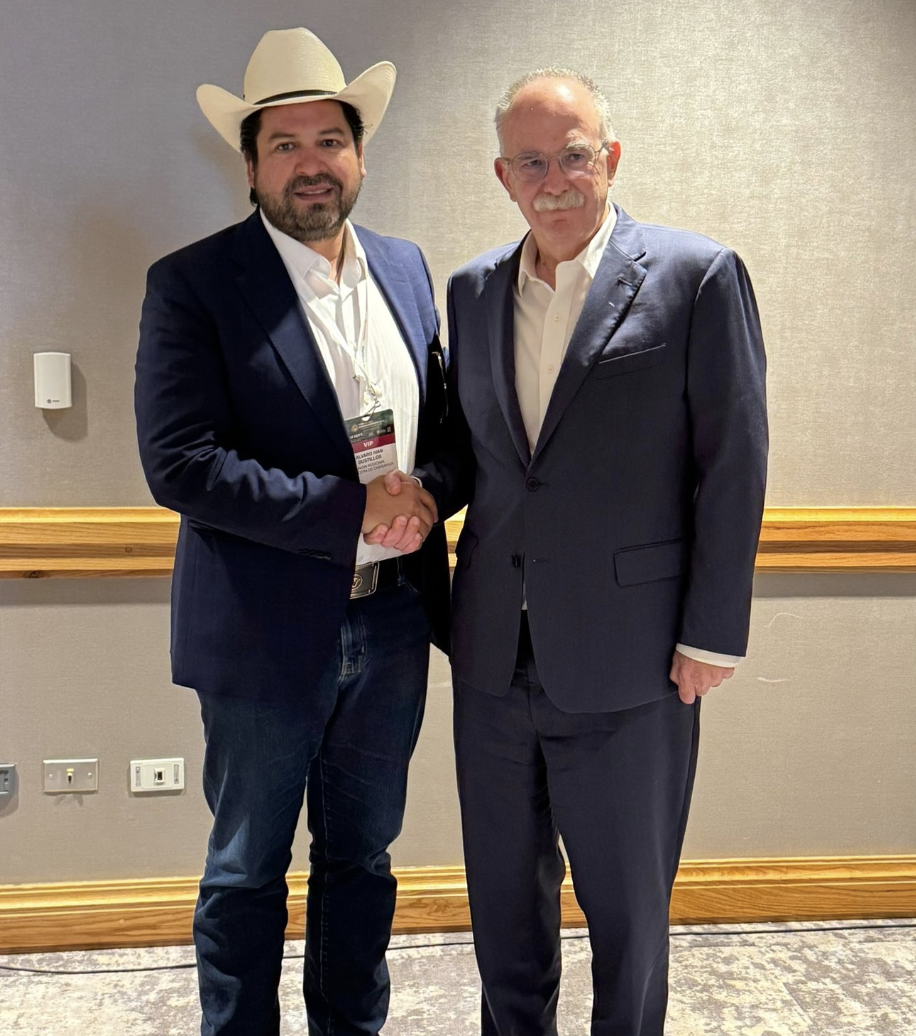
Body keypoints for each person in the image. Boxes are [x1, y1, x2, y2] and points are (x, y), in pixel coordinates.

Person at [384, 68, 768, 1035]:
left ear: (611, 158)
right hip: (491, 658)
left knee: (628, 915)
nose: (553, 181)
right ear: (502, 176)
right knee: (504, 913)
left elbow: (733, 464)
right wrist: (421, 494)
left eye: (573, 156)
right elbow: (473, 451)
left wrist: (712, 635)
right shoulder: (472, 290)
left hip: (633, 658)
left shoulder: (696, 276)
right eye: (530, 163)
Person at [134, 27, 449, 1036]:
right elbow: (181, 464)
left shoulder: (405, 269)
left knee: (362, 859)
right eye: (285, 144)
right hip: (262, 628)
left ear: (359, 154)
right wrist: (351, 509)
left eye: (330, 140)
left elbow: (447, 430)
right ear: (250, 165)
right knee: (246, 868)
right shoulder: (194, 283)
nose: (311, 163)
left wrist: (427, 492)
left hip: (393, 623)